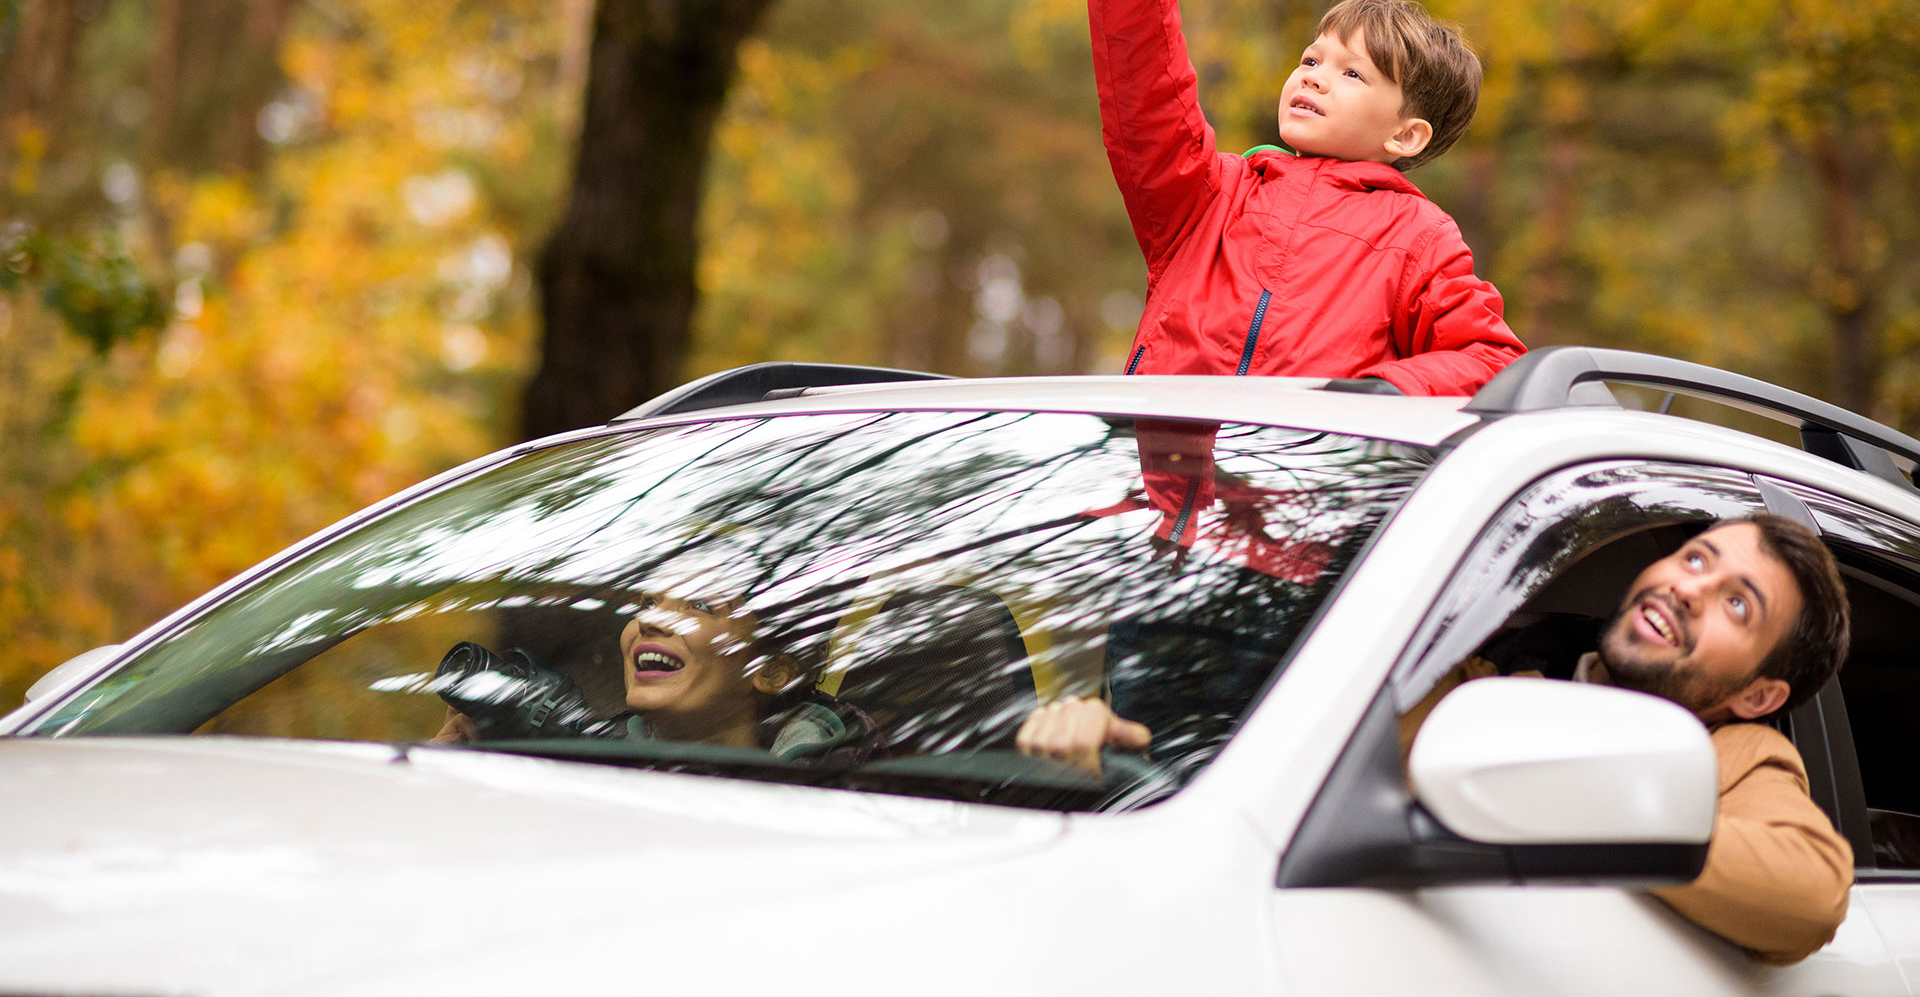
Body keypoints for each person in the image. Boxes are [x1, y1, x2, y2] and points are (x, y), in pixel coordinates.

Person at [1019, 514, 1856, 965]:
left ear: (1759, 692)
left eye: (1738, 603)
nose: (1690, 586)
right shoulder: (1475, 676)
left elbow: (1812, 892)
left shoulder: (1737, 759)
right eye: (1696, 557)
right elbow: (1295, 745)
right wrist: (1113, 740)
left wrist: (1591, 796)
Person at [1075, 0, 1525, 395]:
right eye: (1311, 59)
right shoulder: (1211, 196)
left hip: (1303, 480)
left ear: (1406, 135)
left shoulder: (1419, 239)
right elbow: (1147, 102)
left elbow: (1491, 360)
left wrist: (1385, 394)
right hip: (1158, 479)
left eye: (1352, 73)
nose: (1312, 75)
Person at [434, 585, 882, 766]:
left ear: (770, 671)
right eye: (649, 603)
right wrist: (446, 769)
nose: (652, 620)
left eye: (702, 606)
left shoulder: (837, 784)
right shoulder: (593, 761)